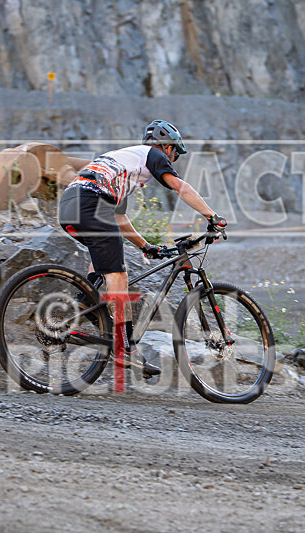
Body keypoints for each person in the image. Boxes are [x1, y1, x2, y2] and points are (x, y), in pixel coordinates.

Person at [58, 119, 227, 377]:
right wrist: (212, 217)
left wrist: (146, 246)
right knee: (119, 275)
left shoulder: (123, 166)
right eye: (174, 154)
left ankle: (84, 300)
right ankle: (124, 348)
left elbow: (120, 219)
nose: (172, 160)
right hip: (91, 203)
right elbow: (180, 187)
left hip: (71, 205)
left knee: (106, 256)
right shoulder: (153, 154)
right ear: (167, 147)